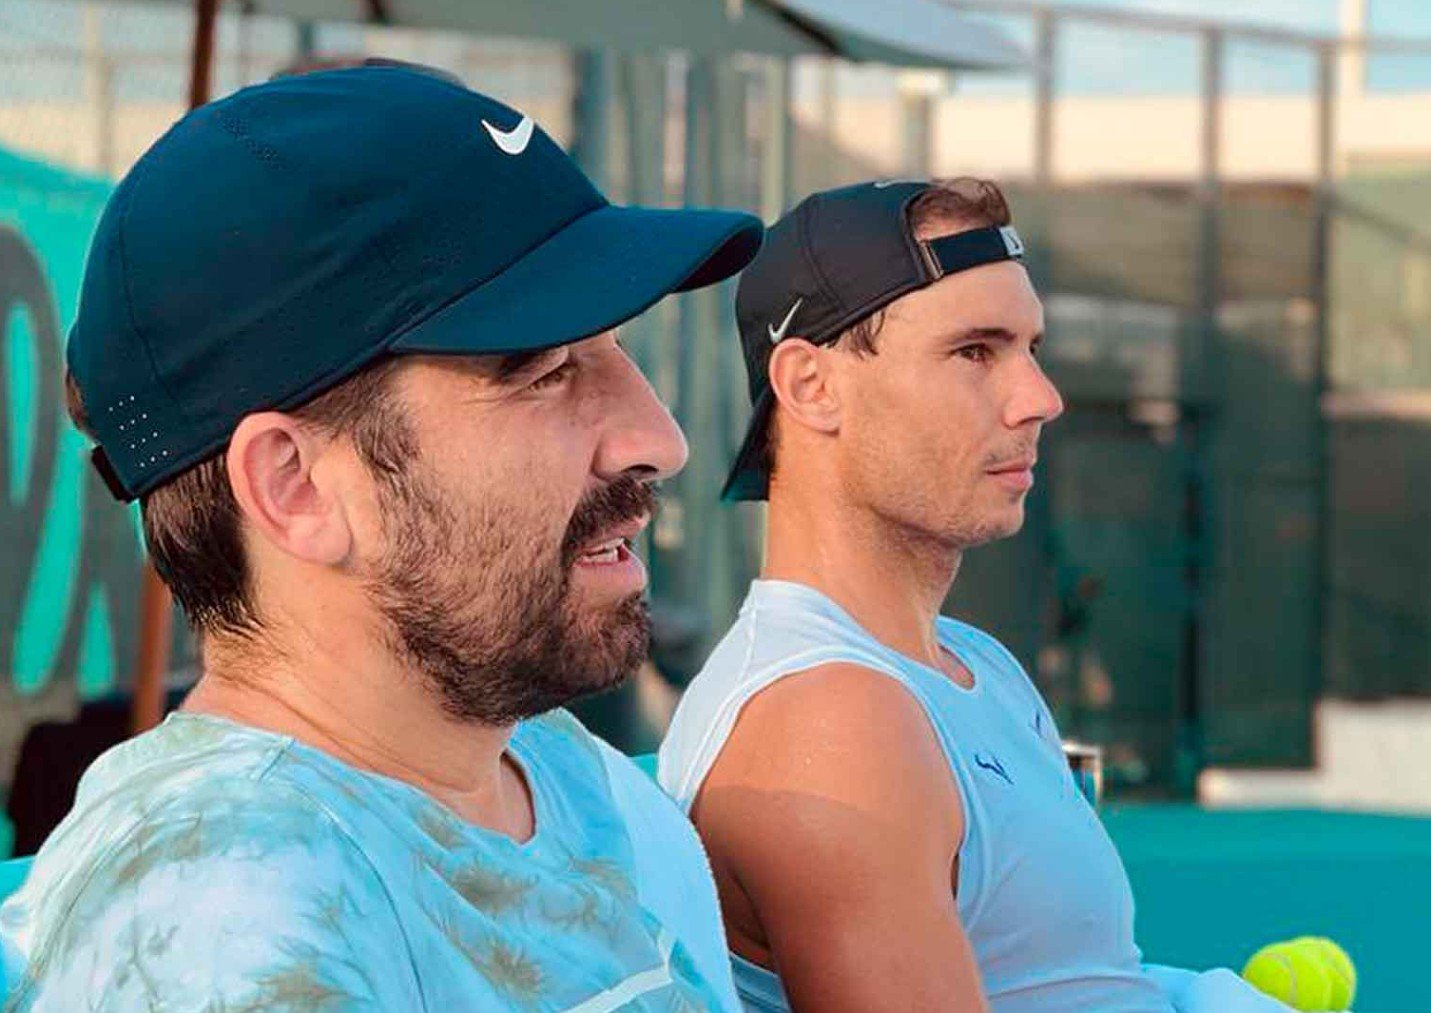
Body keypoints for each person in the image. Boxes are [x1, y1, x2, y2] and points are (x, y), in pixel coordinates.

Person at [0, 64, 763, 1010]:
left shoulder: (565, 775)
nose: (661, 439)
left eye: (615, 349)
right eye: (544, 370)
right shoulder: (229, 926)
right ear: (297, 485)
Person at [656, 179, 1291, 1012]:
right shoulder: (830, 717)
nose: (1040, 398)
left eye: (1030, 347)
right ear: (812, 386)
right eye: (974, 352)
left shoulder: (971, 662)